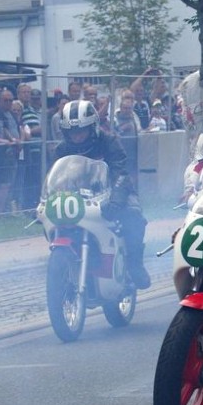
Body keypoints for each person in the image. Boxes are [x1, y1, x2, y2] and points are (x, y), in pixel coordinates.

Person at [55, 99, 151, 289]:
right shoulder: (61, 149)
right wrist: (44, 201)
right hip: (77, 197)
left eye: (81, 130)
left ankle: (134, 264)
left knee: (133, 216)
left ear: (93, 127)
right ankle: (65, 261)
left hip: (112, 190)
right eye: (72, 132)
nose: (77, 136)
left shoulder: (109, 141)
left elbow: (121, 171)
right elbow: (55, 178)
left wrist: (116, 198)